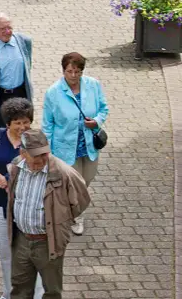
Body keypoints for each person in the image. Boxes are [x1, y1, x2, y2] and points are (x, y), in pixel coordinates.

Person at [7, 130, 91, 299]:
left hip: (48, 242)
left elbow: (82, 201)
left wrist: (61, 220)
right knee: (19, 289)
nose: (40, 160)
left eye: (44, 154)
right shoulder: (16, 167)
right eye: (35, 156)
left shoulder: (64, 172)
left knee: (52, 291)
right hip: (21, 239)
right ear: (22, 153)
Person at [0, 98, 46, 299]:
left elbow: (43, 167)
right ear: (8, 123)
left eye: (26, 121)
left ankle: (37, 294)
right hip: (1, 203)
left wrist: (13, 178)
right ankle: (9, 292)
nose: (22, 126)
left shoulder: (36, 140)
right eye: (17, 122)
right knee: (6, 251)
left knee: (32, 253)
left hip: (27, 207)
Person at [42, 52, 108, 236]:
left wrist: (96, 121)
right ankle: (77, 217)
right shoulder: (53, 93)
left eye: (77, 72)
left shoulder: (93, 85)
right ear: (63, 71)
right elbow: (47, 124)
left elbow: (104, 108)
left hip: (89, 146)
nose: (73, 76)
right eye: (69, 71)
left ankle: (70, 207)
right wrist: (46, 151)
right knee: (75, 184)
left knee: (87, 180)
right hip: (65, 147)